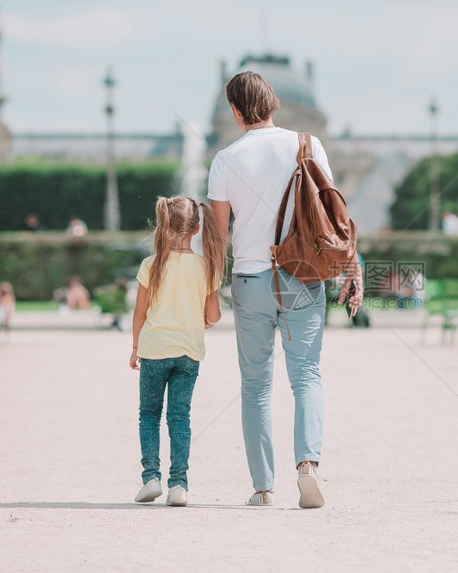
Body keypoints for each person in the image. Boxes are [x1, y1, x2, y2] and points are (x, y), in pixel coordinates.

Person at [208, 71, 362, 509]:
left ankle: (262, 487)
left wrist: (208, 293)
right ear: (274, 104)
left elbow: (218, 237)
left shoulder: (224, 160)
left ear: (236, 112)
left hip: (251, 280)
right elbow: (334, 213)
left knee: (256, 386)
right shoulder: (308, 145)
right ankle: (308, 466)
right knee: (306, 376)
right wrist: (351, 265)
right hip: (302, 275)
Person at [129, 196, 224, 508]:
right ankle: (179, 485)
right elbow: (214, 315)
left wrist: (135, 347)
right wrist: (204, 319)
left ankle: (150, 478)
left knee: (149, 415)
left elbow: (140, 313)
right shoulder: (205, 267)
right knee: (180, 417)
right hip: (188, 353)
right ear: (196, 229)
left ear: (163, 226)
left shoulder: (150, 264)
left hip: (154, 349)